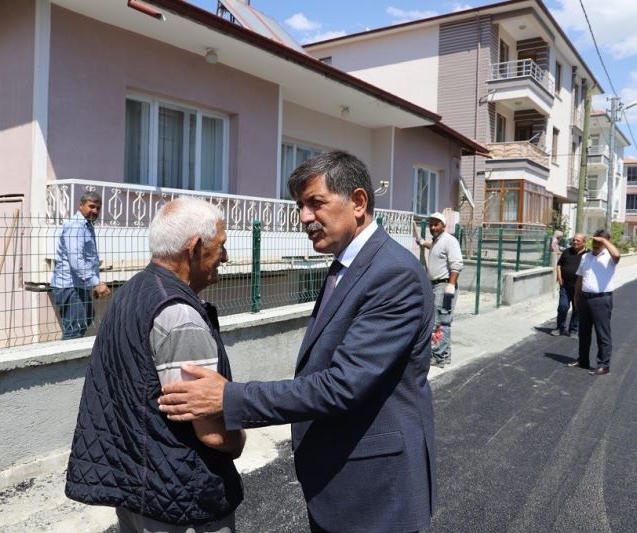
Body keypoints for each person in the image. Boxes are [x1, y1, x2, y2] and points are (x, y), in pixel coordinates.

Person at [159, 151, 437, 533]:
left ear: (357, 202)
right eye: (300, 206)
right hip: (343, 484)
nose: (305, 218)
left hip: (376, 493)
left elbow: (343, 385)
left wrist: (229, 398)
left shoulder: (393, 274)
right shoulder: (349, 265)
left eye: (315, 203)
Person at [65, 198, 246, 532]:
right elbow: (212, 433)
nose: (226, 257)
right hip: (183, 500)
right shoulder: (180, 316)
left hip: (139, 491)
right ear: (194, 248)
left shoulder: (132, 290)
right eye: (221, 246)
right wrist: (239, 438)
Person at [50, 192, 111, 339]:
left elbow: (88, 259)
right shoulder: (76, 226)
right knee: (74, 329)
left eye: (98, 208)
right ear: (81, 205)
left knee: (87, 318)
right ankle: (66, 360)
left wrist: (92, 284)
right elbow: (76, 260)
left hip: (78, 285)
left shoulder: (86, 225)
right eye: (91, 206)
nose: (94, 211)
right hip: (69, 286)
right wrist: (96, 282)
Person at [567, 229, 620, 376]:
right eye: (595, 241)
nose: (596, 244)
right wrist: (577, 297)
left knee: (602, 334)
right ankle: (583, 360)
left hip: (601, 300)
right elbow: (580, 278)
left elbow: (617, 255)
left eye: (600, 241)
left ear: (607, 242)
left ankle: (604, 365)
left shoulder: (610, 257)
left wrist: (604, 241)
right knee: (583, 332)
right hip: (584, 298)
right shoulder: (586, 257)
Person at [418, 212, 463, 368]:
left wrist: (451, 284)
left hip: (444, 285)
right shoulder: (437, 241)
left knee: (441, 322)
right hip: (435, 285)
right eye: (431, 224)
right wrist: (423, 243)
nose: (432, 227)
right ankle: (444, 355)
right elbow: (434, 248)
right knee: (438, 320)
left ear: (444, 225)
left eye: (436, 224)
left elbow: (457, 264)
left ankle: (439, 357)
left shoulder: (450, 240)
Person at [552, 233, 587, 337]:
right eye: (574, 240)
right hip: (566, 286)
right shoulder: (567, 251)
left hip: (580, 288)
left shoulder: (588, 255)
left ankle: (573, 330)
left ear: (584, 242)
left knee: (577, 309)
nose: (575, 242)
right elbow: (559, 265)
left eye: (578, 241)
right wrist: (559, 278)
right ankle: (560, 328)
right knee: (563, 306)